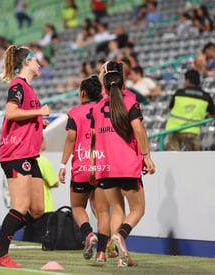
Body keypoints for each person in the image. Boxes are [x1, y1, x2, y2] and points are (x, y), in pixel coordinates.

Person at [0, 45, 50, 268]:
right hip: (15, 153)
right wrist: (39, 113)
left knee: (38, 209)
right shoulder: (17, 85)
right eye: (36, 60)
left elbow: (22, 116)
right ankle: (1, 254)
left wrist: (38, 121)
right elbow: (11, 113)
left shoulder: (28, 89)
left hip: (29, 154)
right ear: (26, 63)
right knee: (20, 206)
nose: (39, 63)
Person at [90, 66, 155, 267]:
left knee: (117, 210)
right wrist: (146, 156)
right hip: (127, 166)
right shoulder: (130, 102)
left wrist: (93, 166)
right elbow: (138, 128)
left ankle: (121, 257)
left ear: (105, 87)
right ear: (123, 84)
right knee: (138, 209)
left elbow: (93, 139)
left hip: (105, 168)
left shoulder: (97, 107)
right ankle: (120, 235)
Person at [59, 75, 111, 262]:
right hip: (103, 164)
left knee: (77, 206)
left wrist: (63, 163)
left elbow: (71, 138)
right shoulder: (106, 110)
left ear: (82, 93)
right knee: (103, 211)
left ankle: (88, 234)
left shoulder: (75, 112)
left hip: (82, 164)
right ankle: (103, 252)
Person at [164, 69, 215, 151]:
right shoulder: (206, 96)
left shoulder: (179, 93)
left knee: (172, 157)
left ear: (187, 80)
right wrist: (204, 117)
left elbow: (170, 109)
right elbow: (213, 114)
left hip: (174, 129)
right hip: (192, 130)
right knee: (194, 159)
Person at [23, 136, 58, 243]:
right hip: (44, 207)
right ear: (40, 142)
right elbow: (54, 182)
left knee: (28, 240)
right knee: (40, 241)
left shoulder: (25, 161)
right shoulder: (42, 161)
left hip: (27, 207)